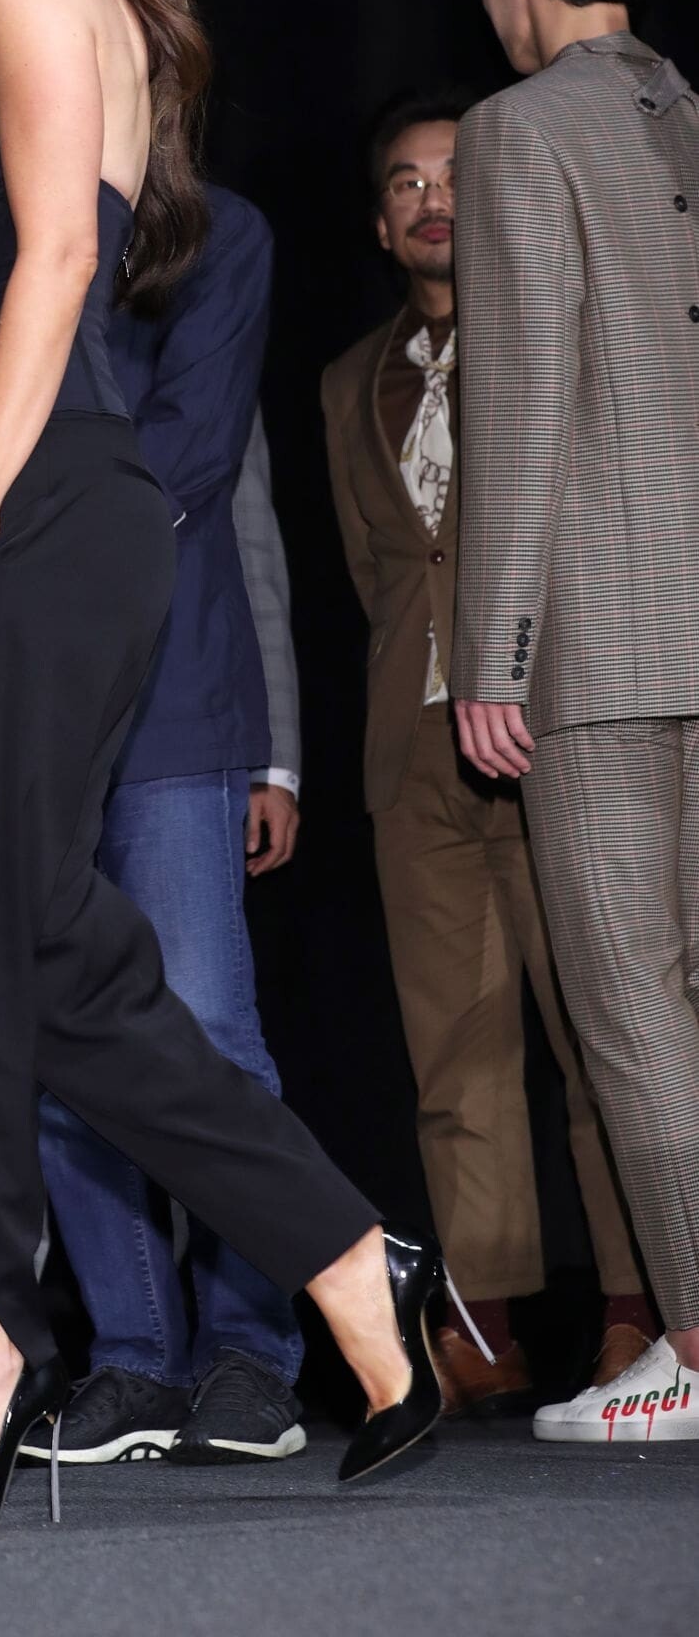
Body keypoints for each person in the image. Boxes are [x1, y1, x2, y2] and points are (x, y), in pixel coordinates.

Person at [0, 0, 448, 1533]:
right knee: (42, 955)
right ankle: (345, 1264)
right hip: (78, 512)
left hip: (33, 502)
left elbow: (54, 257)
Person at [322, 92, 648, 1417]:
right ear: (381, 223)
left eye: (452, 174)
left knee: (602, 1033)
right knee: (453, 1051)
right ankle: (485, 1326)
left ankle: (638, 1314)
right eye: (405, 183)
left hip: (557, 733)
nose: (431, 198)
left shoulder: (560, 335)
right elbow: (379, 573)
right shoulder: (350, 379)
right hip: (416, 755)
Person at [452, 0, 699, 1442]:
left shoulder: (517, 128)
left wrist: (495, 652)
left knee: (630, 1005)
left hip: (602, 644)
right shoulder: (690, 117)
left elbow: (522, 393)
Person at [28, 190, 308, 1470]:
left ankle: (252, 1351)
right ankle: (134, 1354)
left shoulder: (213, 233)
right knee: (60, 1034)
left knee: (204, 1025)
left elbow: (205, 474)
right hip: (25, 698)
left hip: (168, 688)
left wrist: (276, 748)